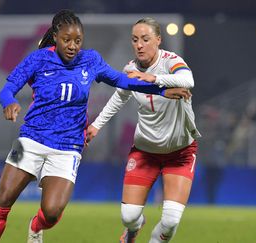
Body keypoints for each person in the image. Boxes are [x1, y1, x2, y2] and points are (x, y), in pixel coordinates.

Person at [0, 10, 190, 243]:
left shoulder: (90, 60)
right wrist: (9, 101)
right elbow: (7, 89)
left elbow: (122, 80)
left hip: (68, 146)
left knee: (52, 213)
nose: (73, 46)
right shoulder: (38, 59)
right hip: (31, 139)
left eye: (78, 40)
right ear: (56, 36)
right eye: (66, 40)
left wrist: (161, 89)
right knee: (3, 201)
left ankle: (36, 226)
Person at [86, 17, 201, 243]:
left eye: (145, 39)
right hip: (145, 151)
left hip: (180, 153)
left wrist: (155, 78)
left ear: (158, 40)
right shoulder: (130, 69)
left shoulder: (171, 62)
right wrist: (97, 124)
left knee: (170, 222)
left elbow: (188, 80)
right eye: (135, 40)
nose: (139, 44)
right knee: (129, 217)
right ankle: (135, 228)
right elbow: (118, 98)